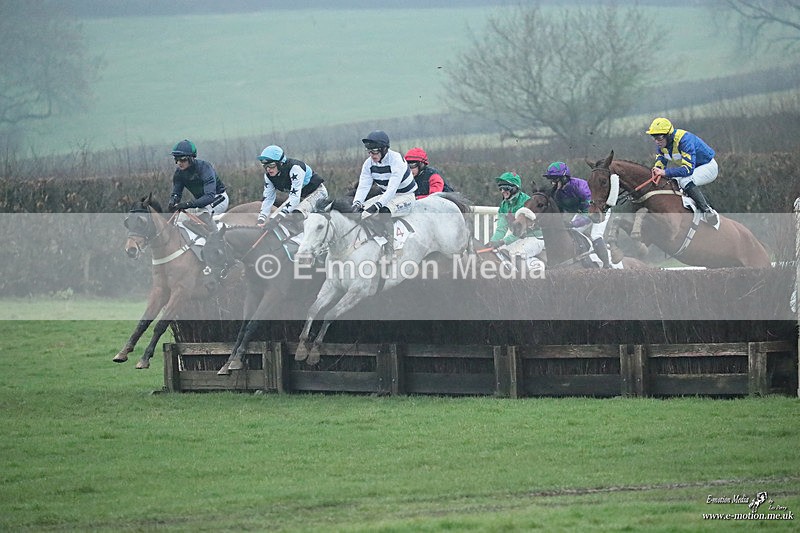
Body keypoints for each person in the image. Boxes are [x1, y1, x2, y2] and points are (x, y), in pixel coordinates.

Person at [646, 117, 719, 228]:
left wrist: (664, 172)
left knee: (685, 180)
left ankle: (707, 211)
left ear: (668, 135)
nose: (657, 141)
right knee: (672, 182)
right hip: (695, 169)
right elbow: (660, 163)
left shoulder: (685, 140)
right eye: (654, 137)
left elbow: (687, 170)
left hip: (708, 167)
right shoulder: (662, 145)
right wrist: (655, 173)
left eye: (659, 137)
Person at [353, 130, 417, 253]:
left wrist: (376, 206)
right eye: (369, 151)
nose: (372, 155)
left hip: (405, 196)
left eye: (375, 151)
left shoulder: (396, 160)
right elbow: (363, 186)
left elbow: (392, 189)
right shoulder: (368, 164)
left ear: (384, 149)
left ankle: (391, 248)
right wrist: (357, 203)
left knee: (383, 212)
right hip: (386, 196)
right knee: (359, 212)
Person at [543, 161, 611, 268]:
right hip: (583, 211)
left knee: (596, 235)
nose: (552, 183)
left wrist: (574, 223)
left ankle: (607, 266)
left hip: (598, 210)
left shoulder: (581, 188)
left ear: (564, 178)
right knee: (572, 233)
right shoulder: (558, 192)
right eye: (551, 180)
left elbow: (589, 215)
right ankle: (583, 259)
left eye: (554, 179)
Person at [256, 145, 328, 231]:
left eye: (271, 165)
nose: (268, 169)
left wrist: (279, 217)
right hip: (300, 197)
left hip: (318, 193)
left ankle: (303, 240)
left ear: (280, 163)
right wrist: (261, 219)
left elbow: (294, 198)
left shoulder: (295, 169)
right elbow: (268, 199)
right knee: (273, 218)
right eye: (265, 166)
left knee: (295, 215)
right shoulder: (268, 177)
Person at [168, 139, 229, 233]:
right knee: (179, 219)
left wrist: (188, 204)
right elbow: (176, 193)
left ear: (192, 158)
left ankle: (217, 240)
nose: (179, 163)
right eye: (176, 159)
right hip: (200, 203)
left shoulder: (205, 168)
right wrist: (173, 202)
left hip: (218, 198)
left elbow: (209, 196)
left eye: (182, 159)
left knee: (203, 213)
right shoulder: (179, 173)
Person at [486, 171, 545, 268]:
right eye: (500, 188)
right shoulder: (504, 205)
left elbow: (519, 232)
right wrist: (493, 242)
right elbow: (501, 229)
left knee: (516, 255)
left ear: (514, 188)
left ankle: (536, 271)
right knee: (500, 253)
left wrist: (502, 241)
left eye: (505, 188)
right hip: (519, 238)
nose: (502, 191)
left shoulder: (527, 203)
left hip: (535, 238)